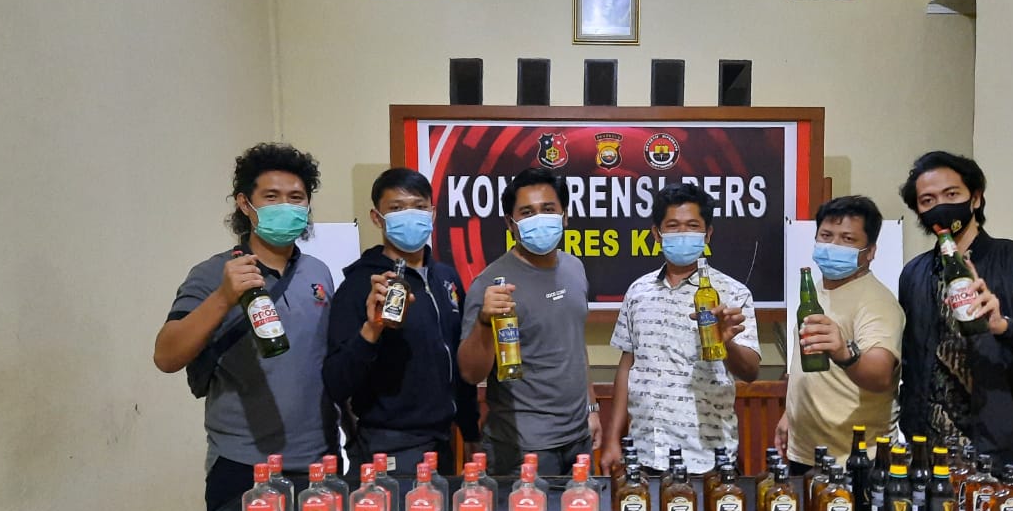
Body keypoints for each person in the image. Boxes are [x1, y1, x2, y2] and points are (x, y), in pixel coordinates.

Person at [153, 143, 337, 511]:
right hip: (243, 465)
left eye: (296, 198)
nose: (285, 206)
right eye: (271, 196)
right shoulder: (212, 274)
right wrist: (224, 296)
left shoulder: (319, 272)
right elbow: (166, 356)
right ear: (245, 204)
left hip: (319, 461)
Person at [897, 151, 1013, 501]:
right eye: (928, 200)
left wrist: (1005, 327)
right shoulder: (914, 273)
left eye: (951, 194)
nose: (940, 206)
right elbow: (913, 360)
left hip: (1003, 464)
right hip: (926, 460)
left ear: (975, 197)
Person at [322, 168, 481, 476]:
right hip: (388, 446)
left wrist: (470, 429)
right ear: (377, 218)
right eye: (396, 208)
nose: (410, 215)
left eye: (419, 206)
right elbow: (336, 381)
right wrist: (372, 330)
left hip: (443, 440)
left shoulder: (446, 278)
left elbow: (459, 359)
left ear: (432, 214)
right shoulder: (359, 285)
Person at [601, 183, 760, 475]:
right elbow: (627, 366)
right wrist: (612, 439)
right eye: (673, 226)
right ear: (656, 233)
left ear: (707, 234)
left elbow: (750, 371)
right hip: (645, 453)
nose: (682, 233)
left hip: (708, 457)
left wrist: (726, 343)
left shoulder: (733, 293)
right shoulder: (638, 291)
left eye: (692, 226)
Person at [458, 167, 602, 476]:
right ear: (511, 223)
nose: (539, 218)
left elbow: (575, 344)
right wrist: (484, 322)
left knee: (583, 509)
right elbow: (470, 373)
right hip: (521, 447)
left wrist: (592, 408)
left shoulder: (574, 268)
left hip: (578, 439)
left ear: (564, 216)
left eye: (548, 209)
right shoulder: (490, 283)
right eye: (527, 212)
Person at [774, 196, 903, 471]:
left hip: (854, 459)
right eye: (826, 235)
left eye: (848, 239)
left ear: (870, 252)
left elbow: (881, 374)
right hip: (806, 450)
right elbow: (808, 365)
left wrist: (845, 353)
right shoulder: (818, 288)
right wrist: (790, 415)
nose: (833, 246)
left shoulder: (877, 302)